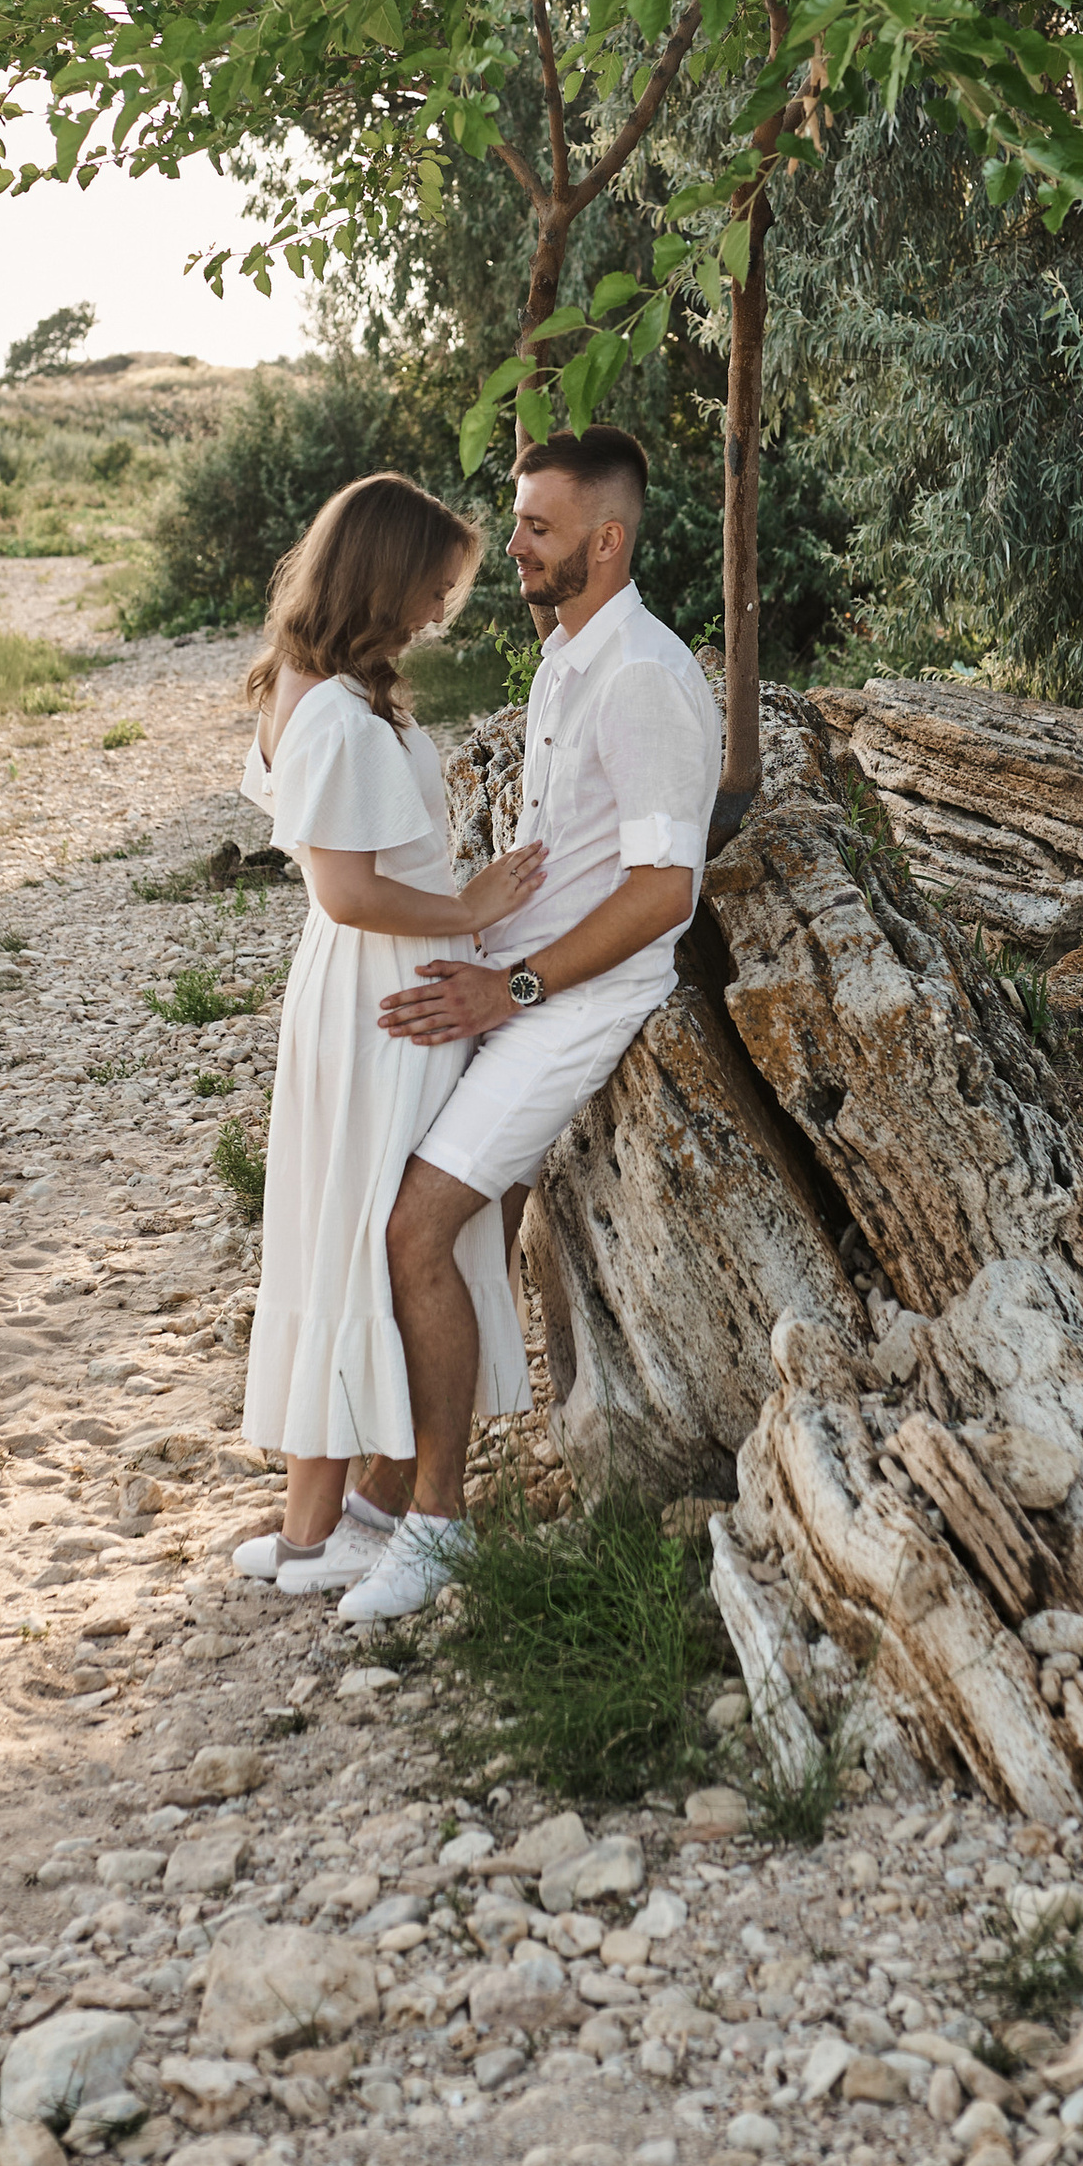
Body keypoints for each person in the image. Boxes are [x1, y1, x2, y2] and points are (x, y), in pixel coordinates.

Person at [340, 423, 723, 1625]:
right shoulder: (569, 653)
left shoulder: (646, 678)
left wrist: (512, 989)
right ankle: (380, 1489)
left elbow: (666, 893)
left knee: (419, 1224)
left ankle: (438, 1525)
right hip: (515, 977)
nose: (510, 547)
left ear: (604, 544)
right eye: (515, 521)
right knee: (435, 1216)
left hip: (578, 1001)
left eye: (537, 528)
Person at [228, 474, 548, 1595]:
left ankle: (322, 1521)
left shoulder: (325, 690)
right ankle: (335, 1521)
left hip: (367, 990)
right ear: (382, 575)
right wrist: (471, 908)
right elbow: (347, 891)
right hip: (387, 990)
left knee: (346, 1236)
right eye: (430, 585)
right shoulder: (333, 714)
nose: (440, 609)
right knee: (373, 1236)